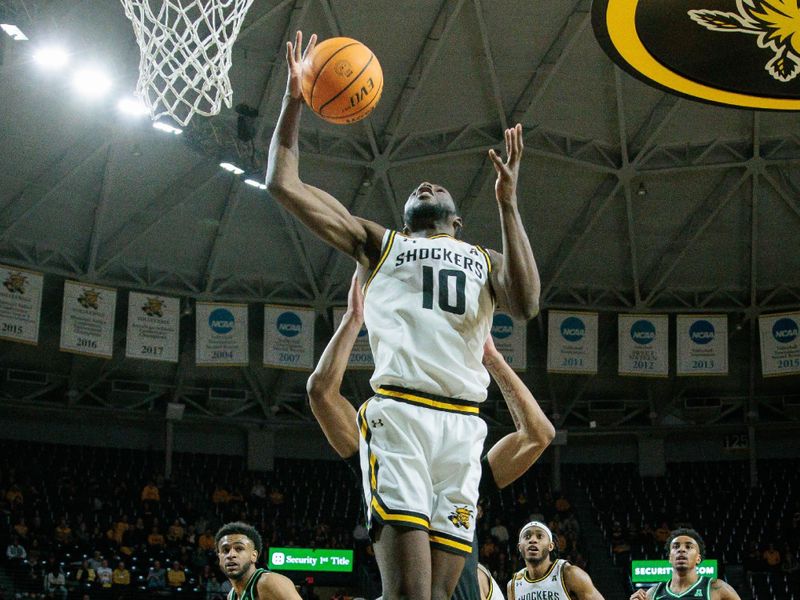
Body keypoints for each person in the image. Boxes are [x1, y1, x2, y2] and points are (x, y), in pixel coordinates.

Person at [268, 30, 539, 600]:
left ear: (456, 219)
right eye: (418, 188)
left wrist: (509, 204)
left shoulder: (485, 259)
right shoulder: (377, 243)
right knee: (410, 595)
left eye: (436, 187)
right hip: (402, 416)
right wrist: (295, 101)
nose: (425, 184)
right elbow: (282, 183)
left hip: (464, 428)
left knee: (440, 597)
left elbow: (528, 302)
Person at [306, 272, 553, 600]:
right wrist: (353, 320)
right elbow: (321, 392)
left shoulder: (465, 473)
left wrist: (493, 358)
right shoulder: (385, 456)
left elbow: (538, 434)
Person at [629, 529, 740, 600]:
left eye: (688, 546)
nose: (681, 550)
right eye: (676, 546)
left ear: (698, 558)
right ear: (670, 558)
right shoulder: (653, 593)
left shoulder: (716, 588)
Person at [509, 521, 604, 600]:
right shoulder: (513, 585)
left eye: (539, 536)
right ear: (519, 547)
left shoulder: (570, 574)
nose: (533, 540)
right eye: (527, 536)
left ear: (551, 546)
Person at [214, 521, 301, 600]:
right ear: (219, 558)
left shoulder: (268, 582)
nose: (231, 555)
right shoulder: (232, 596)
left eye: (239, 548)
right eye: (225, 550)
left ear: (254, 556)